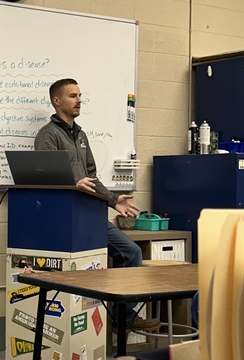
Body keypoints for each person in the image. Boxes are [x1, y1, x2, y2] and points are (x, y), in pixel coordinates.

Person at [34, 77, 156, 330]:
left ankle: (124, 318)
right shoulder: (48, 135)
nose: (79, 100)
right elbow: (42, 178)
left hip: (90, 214)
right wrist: (72, 185)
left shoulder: (80, 134)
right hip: (64, 217)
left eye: (80, 95)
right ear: (56, 101)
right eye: (73, 96)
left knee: (131, 252)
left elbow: (91, 176)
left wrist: (114, 200)